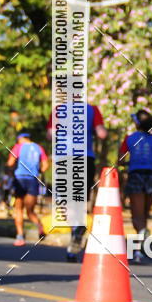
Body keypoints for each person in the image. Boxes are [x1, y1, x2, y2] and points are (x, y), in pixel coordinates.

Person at [47, 102, 108, 261]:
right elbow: (102, 134)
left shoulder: (58, 109)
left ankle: (76, 227)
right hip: (86, 158)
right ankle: (77, 229)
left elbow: (50, 134)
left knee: (63, 200)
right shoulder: (92, 109)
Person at [118, 110, 152, 261]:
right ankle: (142, 242)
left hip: (136, 175)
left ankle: (138, 248)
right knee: (145, 213)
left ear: (137, 123)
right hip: (151, 176)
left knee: (137, 215)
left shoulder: (129, 139)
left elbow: (120, 159)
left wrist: (128, 163)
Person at [6, 133, 49, 246]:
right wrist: (37, 171)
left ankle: (20, 237)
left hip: (20, 179)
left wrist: (11, 168)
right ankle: (39, 226)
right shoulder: (38, 147)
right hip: (33, 180)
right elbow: (45, 165)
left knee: (18, 208)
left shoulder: (18, 147)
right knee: (30, 211)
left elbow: (10, 162)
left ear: (21, 138)